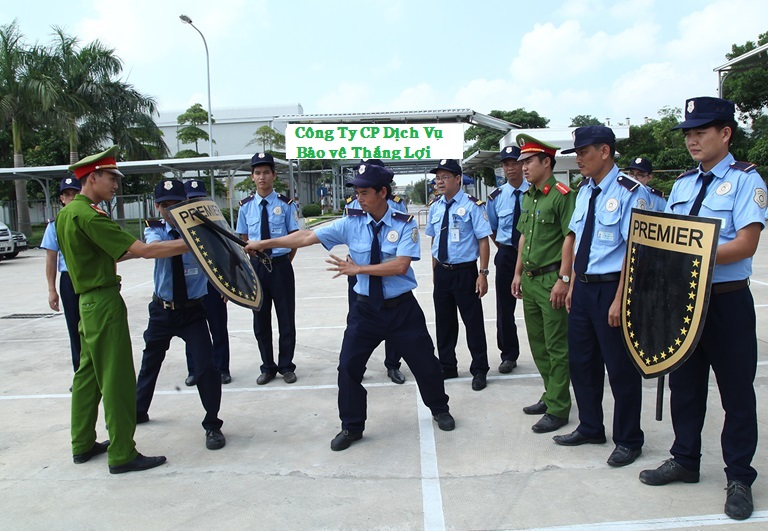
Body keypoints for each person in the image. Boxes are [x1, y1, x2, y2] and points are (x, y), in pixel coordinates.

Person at [244, 162, 455, 451]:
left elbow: (400, 265)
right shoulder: (351, 222)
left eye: (364, 192)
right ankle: (352, 426)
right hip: (366, 309)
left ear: (382, 192)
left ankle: (439, 409)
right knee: (348, 368)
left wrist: (360, 270)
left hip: (402, 309)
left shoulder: (404, 224)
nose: (359, 197)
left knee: (426, 364)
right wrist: (263, 242)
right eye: (356, 192)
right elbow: (305, 236)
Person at [639, 97, 766, 520]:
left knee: (736, 393)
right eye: (688, 133)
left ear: (725, 133)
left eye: (701, 132)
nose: (692, 140)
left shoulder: (747, 180)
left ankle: (739, 477)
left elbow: (746, 244)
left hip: (727, 303)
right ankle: (685, 459)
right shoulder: (683, 185)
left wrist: (692, 256)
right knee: (685, 386)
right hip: (682, 301)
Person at [56, 146, 187, 474]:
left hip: (86, 301)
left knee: (87, 375)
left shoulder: (68, 214)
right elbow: (144, 250)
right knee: (116, 378)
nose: (116, 184)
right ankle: (122, 453)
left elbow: (114, 253)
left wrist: (155, 249)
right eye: (111, 177)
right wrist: (195, 243)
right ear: (93, 177)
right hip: (103, 302)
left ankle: (82, 442)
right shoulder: (89, 214)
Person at [553, 126, 650, 468]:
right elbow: (579, 241)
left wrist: (620, 298)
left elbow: (634, 251)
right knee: (582, 362)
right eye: (576, 153)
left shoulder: (629, 192)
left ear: (605, 152)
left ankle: (628, 439)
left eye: (583, 152)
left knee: (620, 368)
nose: (578, 158)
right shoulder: (584, 192)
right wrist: (569, 283)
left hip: (613, 288)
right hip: (584, 288)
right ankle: (591, 426)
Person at [134, 179, 225, 451]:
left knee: (206, 368)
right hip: (163, 310)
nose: (172, 210)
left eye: (177, 204)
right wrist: (196, 243)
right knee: (150, 361)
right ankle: (138, 411)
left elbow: (221, 258)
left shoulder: (203, 228)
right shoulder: (156, 230)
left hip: (193, 311)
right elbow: (152, 251)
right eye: (166, 206)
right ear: (158, 207)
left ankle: (212, 425)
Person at [510, 134, 575, 433]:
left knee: (557, 346)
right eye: (521, 162)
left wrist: (564, 279)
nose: (522, 167)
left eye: (528, 161)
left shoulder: (562, 195)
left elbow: (569, 239)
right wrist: (518, 273)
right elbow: (524, 237)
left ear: (546, 162)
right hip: (532, 281)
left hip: (552, 280)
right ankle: (550, 396)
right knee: (538, 345)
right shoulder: (529, 196)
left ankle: (560, 407)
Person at [425, 159, 491, 391]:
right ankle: (447, 366)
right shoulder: (436, 206)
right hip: (442, 272)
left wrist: (482, 273)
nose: (439, 182)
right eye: (437, 178)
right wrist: (434, 269)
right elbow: (434, 239)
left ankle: (480, 369)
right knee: (444, 323)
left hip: (465, 273)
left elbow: (483, 240)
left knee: (473, 323)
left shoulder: (473, 205)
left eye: (444, 177)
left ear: (457, 179)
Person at [236, 153, 300, 385]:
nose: (262, 177)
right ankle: (267, 366)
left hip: (281, 268)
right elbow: (243, 239)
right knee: (260, 320)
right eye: (257, 173)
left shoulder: (284, 205)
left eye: (266, 172)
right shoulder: (245, 207)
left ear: (274, 175)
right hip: (256, 269)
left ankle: (286, 366)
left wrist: (285, 261)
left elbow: (294, 239)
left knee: (286, 319)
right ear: (252, 177)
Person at [345, 159, 406, 385]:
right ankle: (356, 365)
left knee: (394, 321)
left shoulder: (398, 205)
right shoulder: (353, 203)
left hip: (388, 274)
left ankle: (393, 365)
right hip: (360, 274)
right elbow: (348, 231)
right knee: (357, 321)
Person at [182, 179, 232, 385]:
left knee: (218, 327)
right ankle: (194, 369)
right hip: (191, 285)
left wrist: (227, 286)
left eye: (198, 199)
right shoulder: (181, 227)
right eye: (190, 200)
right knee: (191, 328)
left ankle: (222, 369)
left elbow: (228, 255)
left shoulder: (215, 225)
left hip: (213, 282)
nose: (194, 204)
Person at [487, 146, 528, 374]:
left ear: (523, 165)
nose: (510, 168)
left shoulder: (534, 192)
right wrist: (505, 249)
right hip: (506, 254)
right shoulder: (496, 197)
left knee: (539, 306)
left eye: (514, 163)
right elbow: (492, 229)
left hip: (534, 255)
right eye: (506, 164)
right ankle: (509, 355)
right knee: (504, 308)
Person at [41, 177, 83, 376]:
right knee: (74, 327)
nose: (72, 198)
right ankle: (80, 373)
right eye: (68, 195)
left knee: (95, 328)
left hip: (90, 278)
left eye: (76, 193)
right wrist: (52, 290)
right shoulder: (55, 225)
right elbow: (51, 259)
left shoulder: (89, 219)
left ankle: (98, 374)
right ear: (62, 199)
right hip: (69, 280)